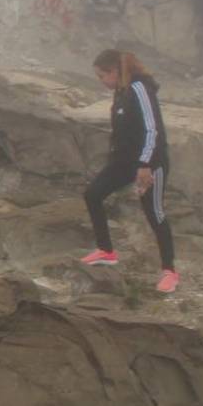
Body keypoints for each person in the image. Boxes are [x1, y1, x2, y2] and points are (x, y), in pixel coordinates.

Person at [81, 48, 178, 293]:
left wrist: (145, 164)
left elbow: (152, 129)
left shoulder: (139, 88)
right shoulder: (121, 92)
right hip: (124, 161)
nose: (102, 82)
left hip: (150, 162)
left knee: (154, 213)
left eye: (102, 76)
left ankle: (169, 271)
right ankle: (106, 250)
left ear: (114, 71)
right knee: (93, 194)